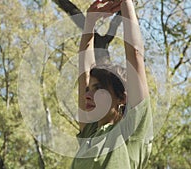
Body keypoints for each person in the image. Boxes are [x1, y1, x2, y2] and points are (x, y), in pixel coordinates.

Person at [72, 0, 153, 168]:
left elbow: (135, 55)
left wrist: (126, 3)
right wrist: (89, 23)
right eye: (88, 89)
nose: (87, 94)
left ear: (122, 98)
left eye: (98, 88)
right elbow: (84, 72)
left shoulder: (131, 131)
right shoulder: (90, 134)